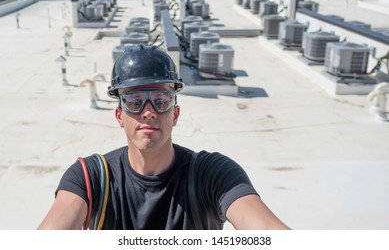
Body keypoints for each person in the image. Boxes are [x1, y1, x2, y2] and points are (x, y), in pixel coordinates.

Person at [37, 44, 290, 230]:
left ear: (175, 114)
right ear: (119, 116)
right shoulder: (91, 178)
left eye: (160, 100)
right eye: (135, 101)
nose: (148, 112)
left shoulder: (212, 174)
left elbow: (265, 230)